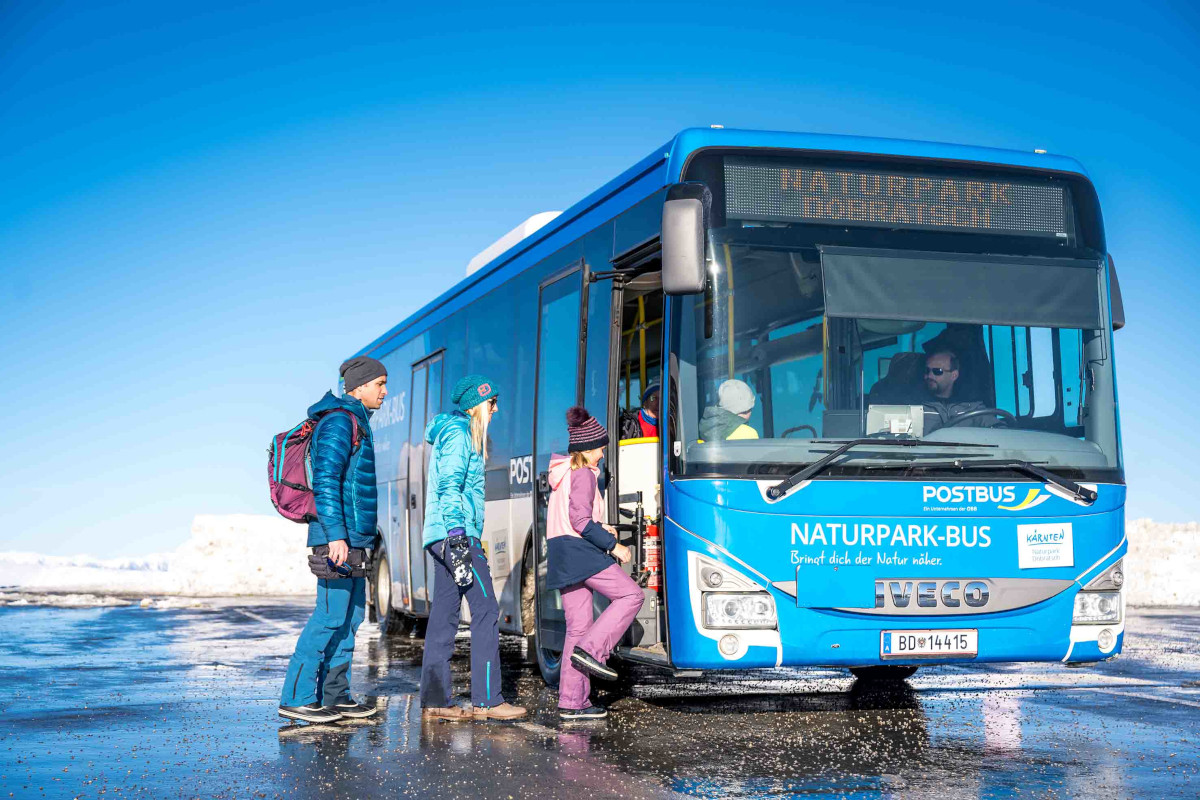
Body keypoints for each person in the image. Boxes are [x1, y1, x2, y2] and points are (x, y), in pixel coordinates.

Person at [279, 356, 387, 724]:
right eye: (379, 384)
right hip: (335, 537)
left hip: (354, 535)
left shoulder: (356, 421)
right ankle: (296, 696)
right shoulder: (340, 421)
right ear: (358, 387)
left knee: (352, 616)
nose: (385, 392)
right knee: (329, 616)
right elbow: (326, 480)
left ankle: (336, 695)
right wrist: (337, 536)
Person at [419, 375, 527, 722]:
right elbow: (449, 486)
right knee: (485, 610)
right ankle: (488, 700)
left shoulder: (461, 434)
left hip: (447, 536)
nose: (496, 408)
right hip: (455, 535)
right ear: (477, 404)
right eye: (491, 402)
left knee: (445, 615)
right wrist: (458, 535)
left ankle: (435, 700)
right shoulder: (460, 434)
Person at [546, 407, 643, 721]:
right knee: (631, 595)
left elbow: (573, 517)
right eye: (600, 447)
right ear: (587, 449)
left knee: (577, 627)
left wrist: (602, 528)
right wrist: (615, 546)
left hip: (560, 552)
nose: (603, 454)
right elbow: (579, 520)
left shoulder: (563, 474)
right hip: (579, 551)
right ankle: (594, 651)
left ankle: (572, 703)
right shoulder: (585, 474)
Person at [923, 351, 998, 428]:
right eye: (927, 371)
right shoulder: (917, 407)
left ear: (954, 375)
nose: (929, 376)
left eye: (937, 371)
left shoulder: (973, 407)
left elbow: (998, 430)